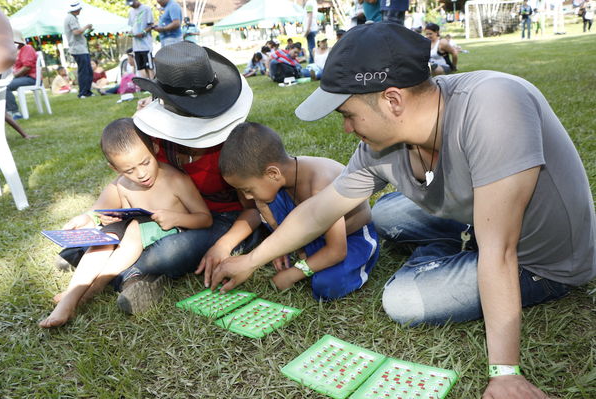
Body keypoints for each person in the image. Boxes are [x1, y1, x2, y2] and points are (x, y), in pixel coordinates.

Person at [211, 22, 595, 399]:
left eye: (347, 114)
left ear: (392, 101)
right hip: (481, 221)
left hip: (542, 260)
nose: (346, 128)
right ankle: (455, 244)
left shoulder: (496, 107)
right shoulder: (379, 146)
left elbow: (499, 252)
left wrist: (505, 373)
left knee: (404, 300)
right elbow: (318, 213)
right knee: (385, 215)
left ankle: (445, 254)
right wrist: (252, 261)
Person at [55, 41, 261, 315]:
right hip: (155, 219)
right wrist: (95, 214)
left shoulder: (233, 147)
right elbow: (123, 175)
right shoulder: (153, 141)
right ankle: (108, 265)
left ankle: (123, 273)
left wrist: (222, 245)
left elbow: (255, 211)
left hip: (214, 220)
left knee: (169, 253)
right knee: (122, 232)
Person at [40, 118, 212, 328]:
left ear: (155, 149)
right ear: (114, 168)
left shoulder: (176, 180)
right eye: (129, 170)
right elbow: (97, 211)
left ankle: (96, 285)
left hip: (168, 235)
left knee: (133, 229)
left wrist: (176, 217)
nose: (141, 174)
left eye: (145, 162)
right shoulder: (122, 185)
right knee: (107, 236)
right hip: (130, 239)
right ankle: (70, 298)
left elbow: (205, 218)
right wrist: (91, 218)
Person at [214, 122, 380, 300]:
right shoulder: (281, 178)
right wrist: (278, 248)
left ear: (272, 173)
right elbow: (268, 207)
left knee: (327, 284)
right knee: (265, 198)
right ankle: (305, 253)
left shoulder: (319, 184)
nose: (247, 197)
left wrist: (293, 273)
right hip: (315, 235)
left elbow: (337, 251)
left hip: (350, 239)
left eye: (248, 189)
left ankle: (353, 265)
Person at [5, 29, 37, 120]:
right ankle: (6, 112)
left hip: (31, 78)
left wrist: (13, 76)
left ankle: (15, 112)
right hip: (22, 77)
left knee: (5, 85)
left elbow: (27, 67)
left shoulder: (27, 48)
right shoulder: (16, 51)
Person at [64, 1, 93, 98]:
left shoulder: (72, 17)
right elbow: (76, 32)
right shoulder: (71, 18)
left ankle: (87, 91)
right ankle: (83, 93)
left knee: (88, 70)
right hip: (78, 49)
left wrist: (86, 30)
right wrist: (86, 27)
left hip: (81, 48)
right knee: (84, 71)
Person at [127, 0, 155, 80]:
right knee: (141, 67)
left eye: (132, 4)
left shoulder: (146, 9)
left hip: (146, 45)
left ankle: (153, 84)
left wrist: (143, 32)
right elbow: (131, 26)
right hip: (136, 46)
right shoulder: (131, 11)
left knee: (149, 67)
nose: (131, 6)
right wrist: (130, 33)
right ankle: (146, 86)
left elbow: (151, 25)